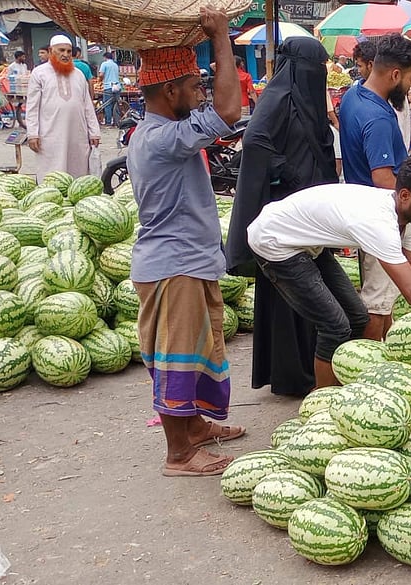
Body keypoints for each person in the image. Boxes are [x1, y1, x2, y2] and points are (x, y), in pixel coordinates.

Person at [247, 154, 411, 388]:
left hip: (306, 242)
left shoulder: (409, 219)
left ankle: (348, 383)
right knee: (334, 326)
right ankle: (322, 401)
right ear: (405, 196)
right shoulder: (378, 223)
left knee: (359, 319)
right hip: (275, 241)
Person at [128, 7, 246, 476]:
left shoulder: (161, 133)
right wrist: (221, 38)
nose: (201, 95)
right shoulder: (161, 138)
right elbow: (229, 112)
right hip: (172, 265)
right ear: (170, 91)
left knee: (197, 352)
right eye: (195, 87)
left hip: (187, 261)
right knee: (176, 360)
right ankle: (178, 454)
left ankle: (194, 428)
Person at [224, 37, 339, 398]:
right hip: (284, 212)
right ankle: (293, 375)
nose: (317, 75)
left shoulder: (306, 100)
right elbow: (255, 140)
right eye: (314, 69)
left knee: (314, 289)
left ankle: (312, 367)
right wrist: (284, 169)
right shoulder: (279, 99)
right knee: (291, 294)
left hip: (310, 212)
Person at [339, 33, 411, 339]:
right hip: (381, 214)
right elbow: (383, 178)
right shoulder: (377, 118)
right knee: (377, 301)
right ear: (395, 74)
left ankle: (386, 347)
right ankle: (368, 357)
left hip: (363, 207)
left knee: (385, 299)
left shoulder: (353, 95)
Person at [26, 35, 101, 181]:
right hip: (50, 134)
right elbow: (32, 107)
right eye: (61, 50)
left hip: (78, 135)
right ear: (50, 51)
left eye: (68, 51)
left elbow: (87, 105)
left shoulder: (78, 75)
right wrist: (32, 134)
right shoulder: (39, 73)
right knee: (52, 175)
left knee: (78, 176)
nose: (65, 54)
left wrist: (94, 132)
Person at [98, 52, 121, 126]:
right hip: (117, 86)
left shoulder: (104, 64)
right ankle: (116, 122)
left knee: (107, 105)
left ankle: (108, 122)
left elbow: (101, 74)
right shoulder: (115, 65)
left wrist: (100, 80)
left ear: (105, 57)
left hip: (108, 86)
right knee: (116, 104)